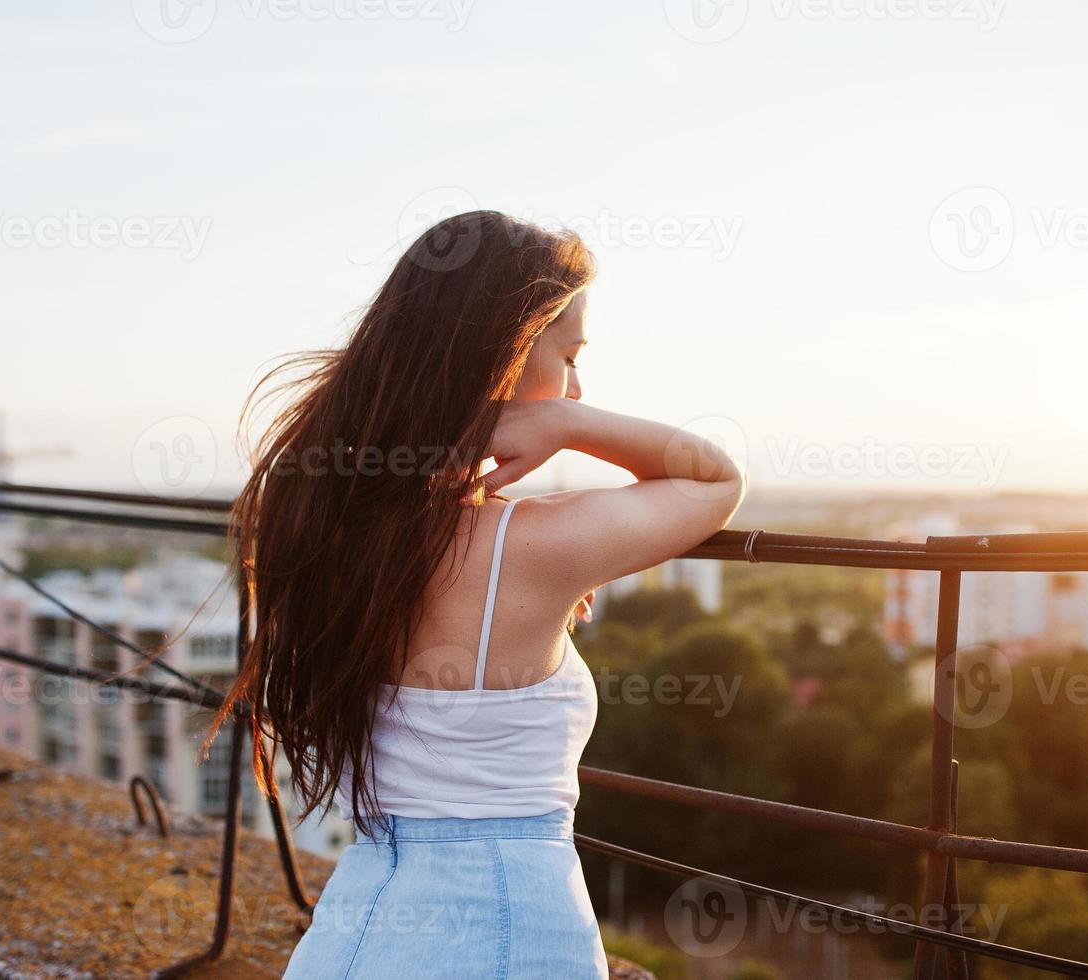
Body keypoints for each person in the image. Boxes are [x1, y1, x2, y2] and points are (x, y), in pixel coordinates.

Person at [210, 210, 746, 978]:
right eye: (568, 356)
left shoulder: (332, 525)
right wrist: (568, 422)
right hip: (507, 930)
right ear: (507, 355)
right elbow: (712, 477)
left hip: (361, 921)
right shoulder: (529, 546)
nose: (577, 381)